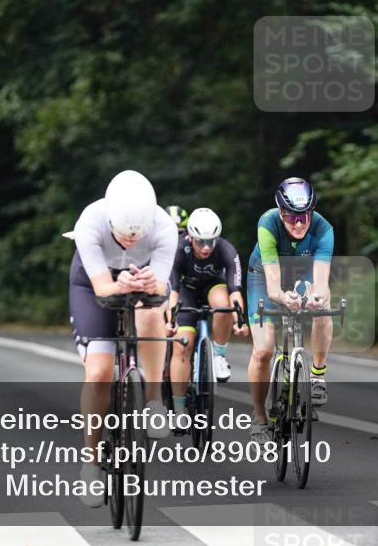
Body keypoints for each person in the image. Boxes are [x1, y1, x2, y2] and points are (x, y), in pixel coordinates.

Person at [70, 170, 177, 507]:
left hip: (141, 280)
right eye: (123, 236)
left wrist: (150, 285)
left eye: (137, 236)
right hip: (94, 284)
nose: (131, 242)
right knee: (100, 372)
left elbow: (161, 287)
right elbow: (102, 288)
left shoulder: (164, 226)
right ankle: (91, 463)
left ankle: (154, 400)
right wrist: (119, 285)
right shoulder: (90, 221)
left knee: (150, 311)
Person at [246, 177, 335, 445]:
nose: (299, 223)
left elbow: (320, 280)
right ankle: (259, 417)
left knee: (325, 305)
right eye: (291, 216)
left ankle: (317, 375)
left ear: (312, 212)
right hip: (264, 275)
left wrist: (317, 296)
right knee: (263, 350)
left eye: (304, 216)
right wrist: (284, 298)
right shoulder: (268, 224)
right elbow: (273, 285)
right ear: (281, 212)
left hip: (301, 271)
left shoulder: (324, 229)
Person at [167, 207, 248, 420]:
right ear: (190, 236)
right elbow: (173, 291)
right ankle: (178, 408)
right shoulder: (178, 249)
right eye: (201, 242)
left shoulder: (226, 250)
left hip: (213, 286)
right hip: (186, 290)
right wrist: (170, 320)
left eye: (211, 241)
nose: (206, 248)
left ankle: (219, 355)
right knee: (182, 345)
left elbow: (235, 291)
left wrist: (240, 320)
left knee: (223, 306)